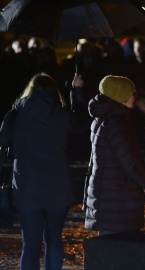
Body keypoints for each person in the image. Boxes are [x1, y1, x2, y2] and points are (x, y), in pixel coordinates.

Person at [10, 72, 88, 270]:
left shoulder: (17, 114)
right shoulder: (60, 114)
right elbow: (80, 124)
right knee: (54, 238)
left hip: (26, 186)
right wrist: (76, 91)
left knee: (30, 243)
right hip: (57, 185)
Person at [84, 75, 145, 236]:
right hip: (117, 198)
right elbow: (130, 161)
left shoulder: (104, 118)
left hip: (108, 194)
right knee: (118, 248)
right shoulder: (117, 124)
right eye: (132, 93)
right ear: (120, 96)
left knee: (110, 245)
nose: (135, 96)